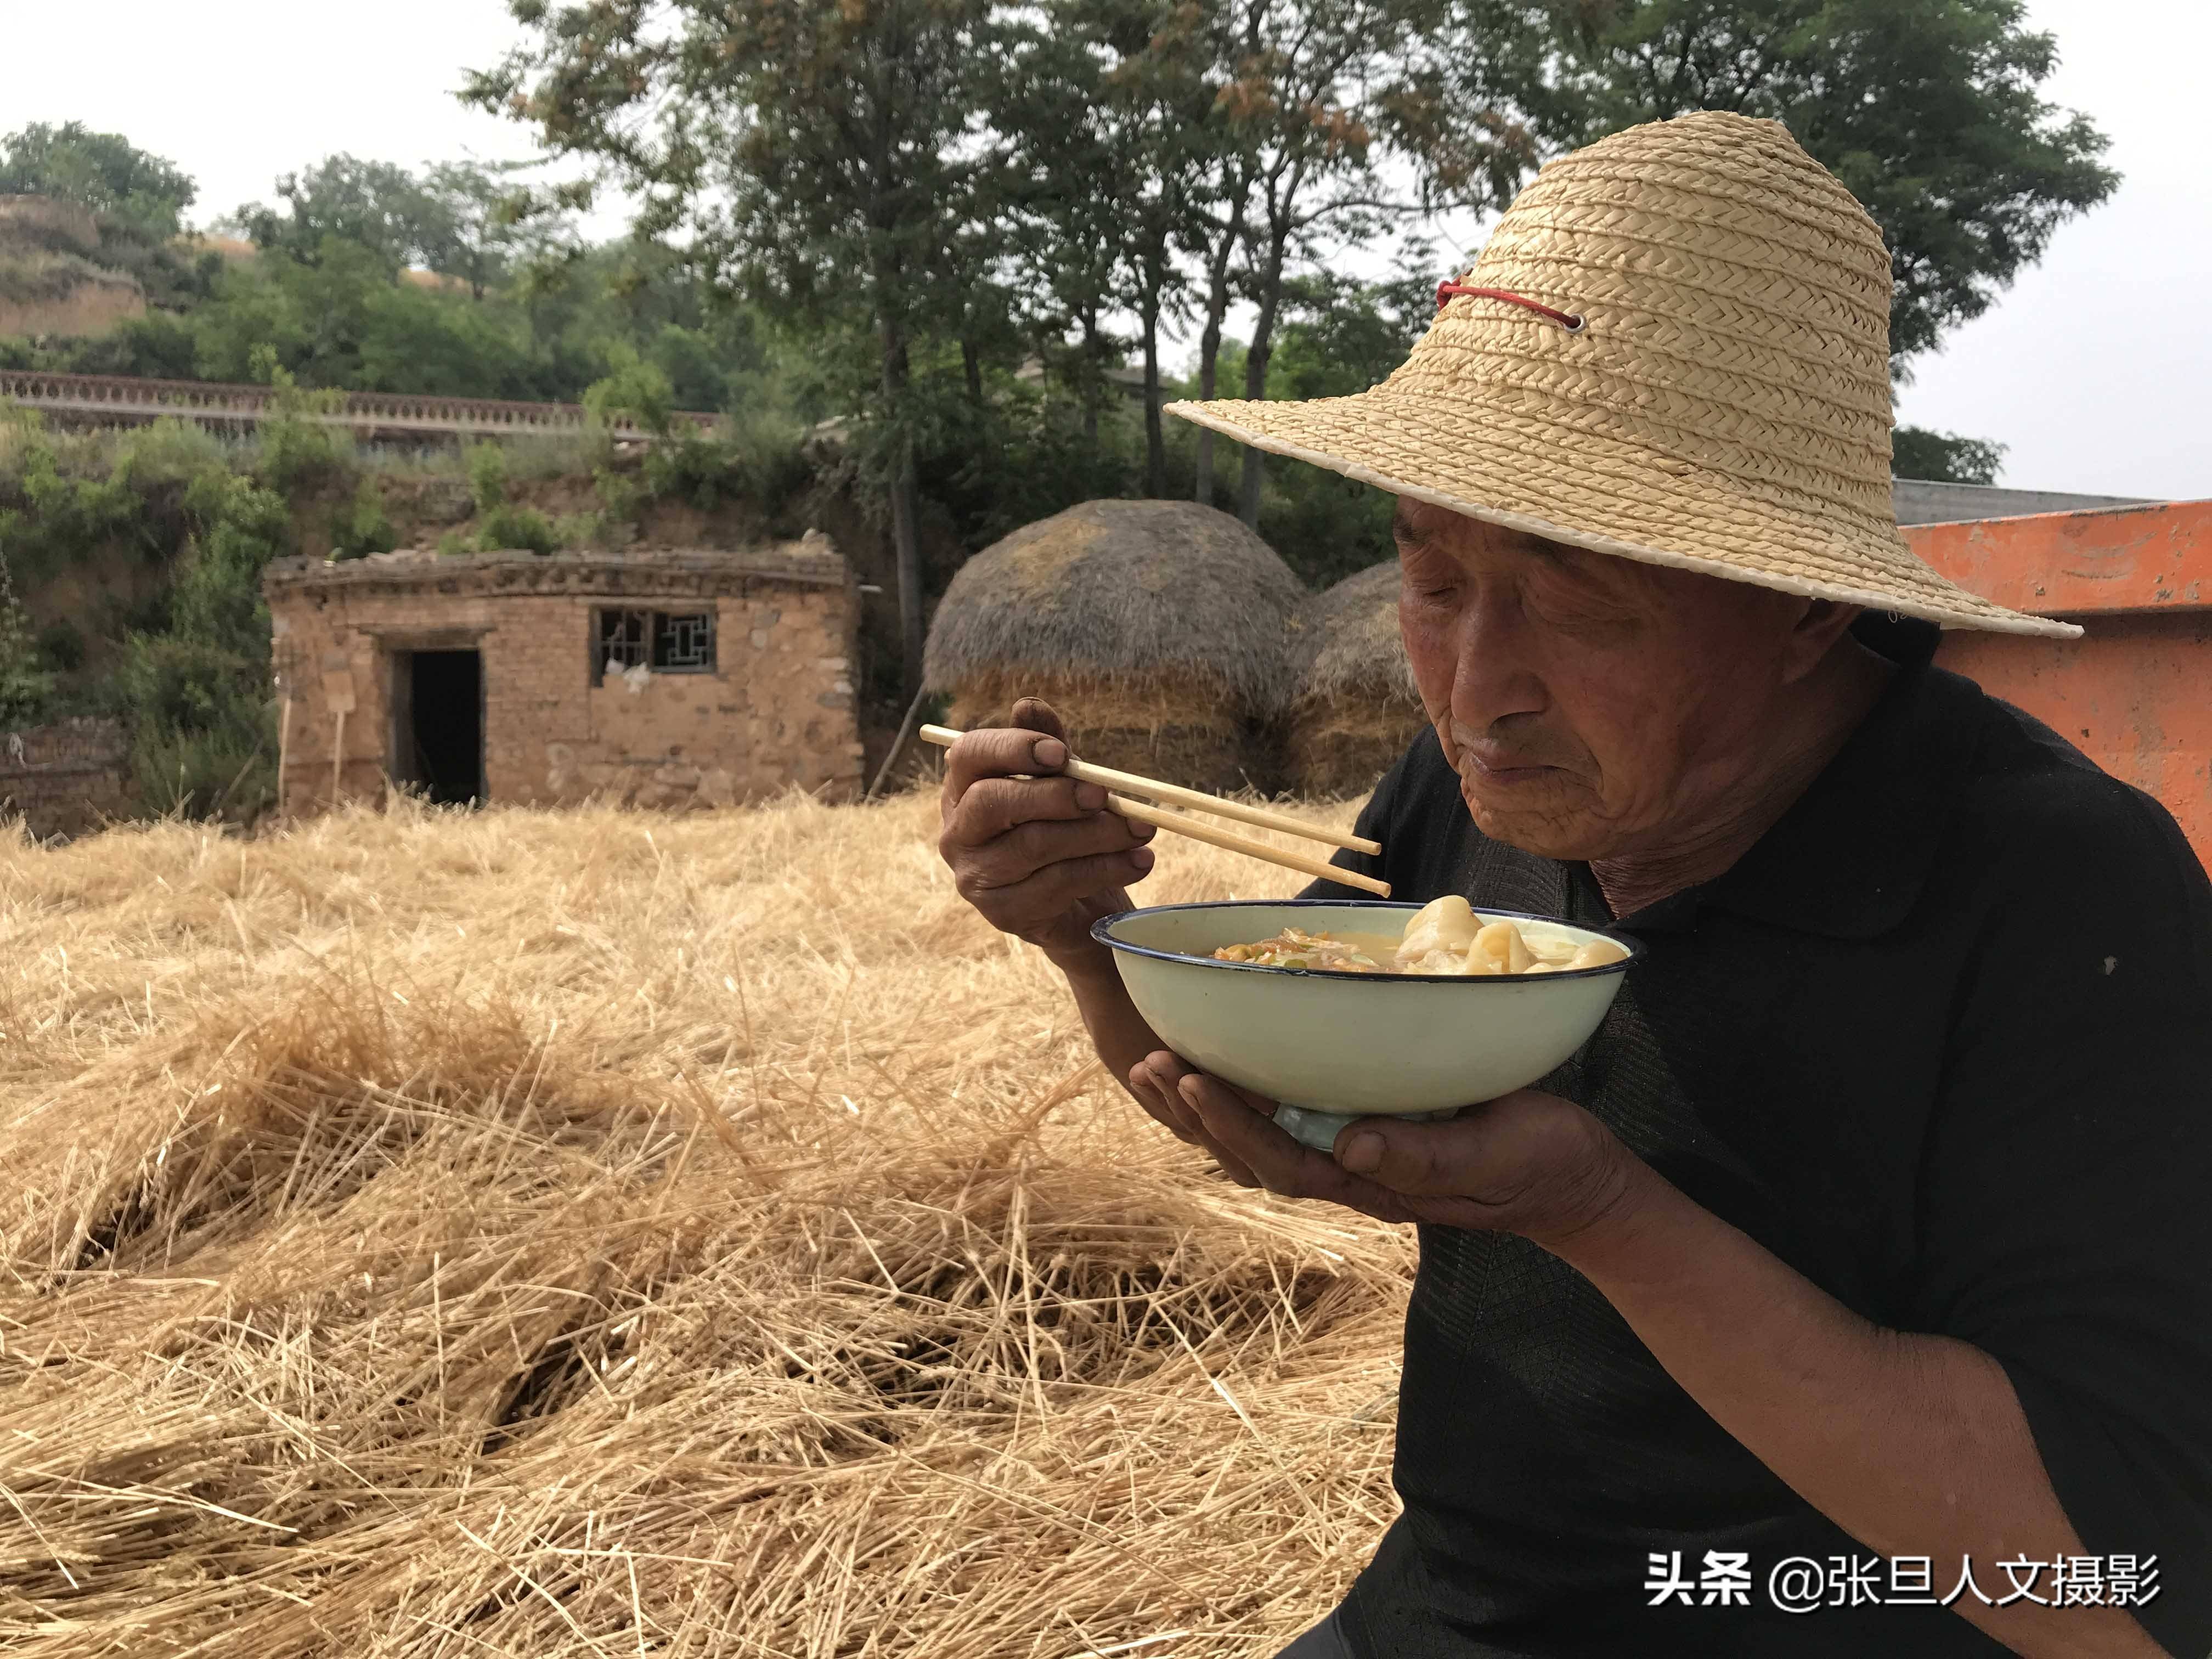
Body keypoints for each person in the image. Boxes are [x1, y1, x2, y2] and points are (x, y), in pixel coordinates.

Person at [935, 111, 2212, 1658]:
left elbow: (2111, 1591)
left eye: (1577, 602)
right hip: (1453, 1605)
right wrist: (1092, 942)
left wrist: (1598, 1210)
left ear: (1802, 600)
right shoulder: (1471, 784)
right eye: (1433, 579)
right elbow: (1301, 1086)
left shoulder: (2061, 894)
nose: (1478, 692)